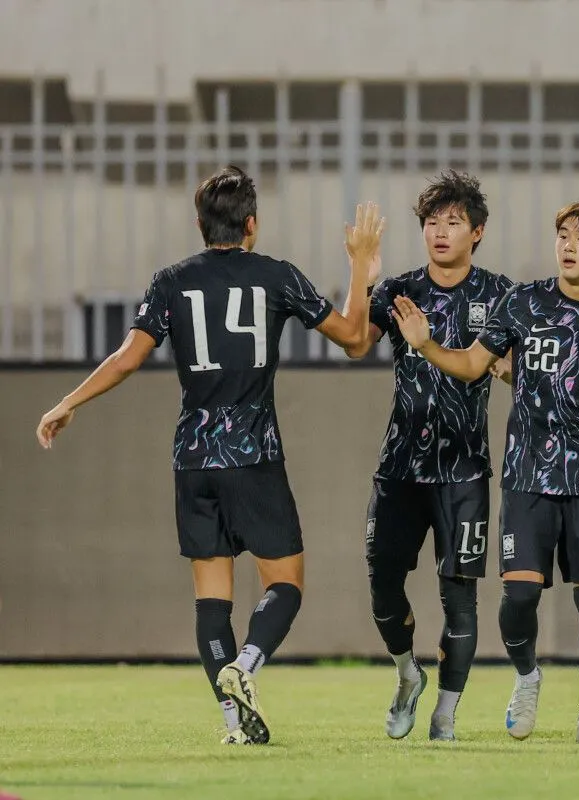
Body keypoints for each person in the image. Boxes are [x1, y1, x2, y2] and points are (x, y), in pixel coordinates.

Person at [35, 166, 385, 745]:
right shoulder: (275, 276)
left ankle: (233, 724)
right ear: (252, 223)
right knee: (286, 582)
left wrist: (68, 402)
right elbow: (354, 339)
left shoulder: (171, 281)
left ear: (200, 224)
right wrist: (360, 266)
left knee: (211, 596)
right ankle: (244, 668)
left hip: (193, 457)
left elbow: (127, 357)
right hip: (252, 453)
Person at [391, 195, 579, 743]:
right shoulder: (523, 303)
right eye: (563, 235)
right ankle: (528, 674)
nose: (569, 246)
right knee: (519, 597)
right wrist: (426, 345)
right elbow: (475, 364)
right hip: (528, 479)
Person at [343, 170, 512, 741]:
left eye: (453, 222)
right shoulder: (397, 291)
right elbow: (353, 341)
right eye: (432, 223)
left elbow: (514, 368)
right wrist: (361, 271)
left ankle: (445, 714)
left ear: (477, 232)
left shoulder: (501, 296)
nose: (440, 232)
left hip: (464, 469)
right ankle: (406, 673)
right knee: (383, 584)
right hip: (400, 468)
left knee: (459, 596)